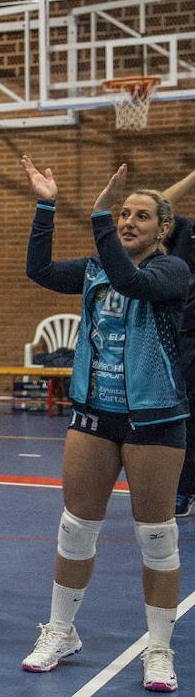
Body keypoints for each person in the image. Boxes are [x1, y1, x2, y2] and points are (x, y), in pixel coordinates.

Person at [22, 157, 186, 693]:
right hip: (95, 415)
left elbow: (130, 280)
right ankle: (61, 631)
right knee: (76, 527)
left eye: (141, 216)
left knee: (156, 536)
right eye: (122, 215)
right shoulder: (95, 267)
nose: (127, 222)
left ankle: (158, 648)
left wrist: (96, 216)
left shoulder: (173, 271)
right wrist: (46, 207)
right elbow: (40, 271)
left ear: (164, 228)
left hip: (155, 418)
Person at [159, 166, 195, 518]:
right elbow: (163, 205)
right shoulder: (187, 233)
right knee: (187, 415)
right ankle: (184, 489)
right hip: (188, 338)